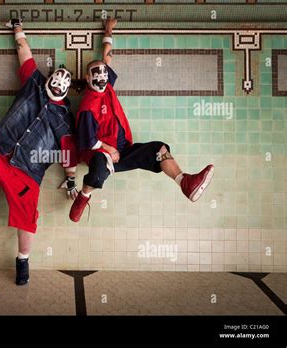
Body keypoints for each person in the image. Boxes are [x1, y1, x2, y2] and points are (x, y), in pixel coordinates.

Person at [0, 19, 78, 285]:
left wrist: (71, 180)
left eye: (61, 85)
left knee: (27, 219)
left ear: (66, 91)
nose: (56, 85)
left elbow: (69, 153)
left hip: (26, 172)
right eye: (54, 80)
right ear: (48, 79)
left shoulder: (64, 120)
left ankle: (22, 259)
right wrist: (17, 29)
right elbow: (24, 51)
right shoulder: (32, 82)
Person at [69, 18, 214, 223]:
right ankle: (83, 197)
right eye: (97, 76)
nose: (102, 78)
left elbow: (107, 58)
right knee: (100, 169)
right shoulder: (87, 106)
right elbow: (88, 141)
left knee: (159, 149)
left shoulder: (107, 85)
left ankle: (185, 183)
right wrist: (110, 150)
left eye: (104, 75)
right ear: (87, 78)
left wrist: (108, 30)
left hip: (124, 149)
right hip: (99, 152)